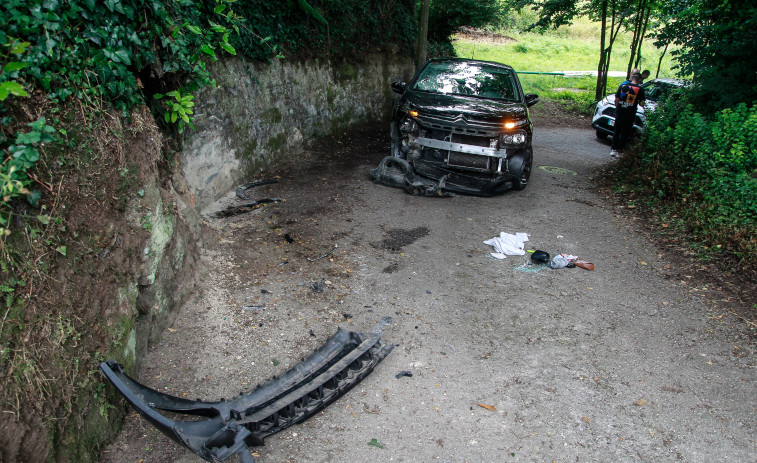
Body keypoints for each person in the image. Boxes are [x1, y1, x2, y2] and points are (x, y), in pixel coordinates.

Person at [610, 72, 646, 156]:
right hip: (630, 113)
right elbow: (641, 103)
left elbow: (617, 99)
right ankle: (620, 150)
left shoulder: (623, 86)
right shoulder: (640, 89)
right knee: (625, 132)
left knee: (617, 130)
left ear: (632, 78)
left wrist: (618, 108)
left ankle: (613, 149)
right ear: (639, 80)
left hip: (620, 112)